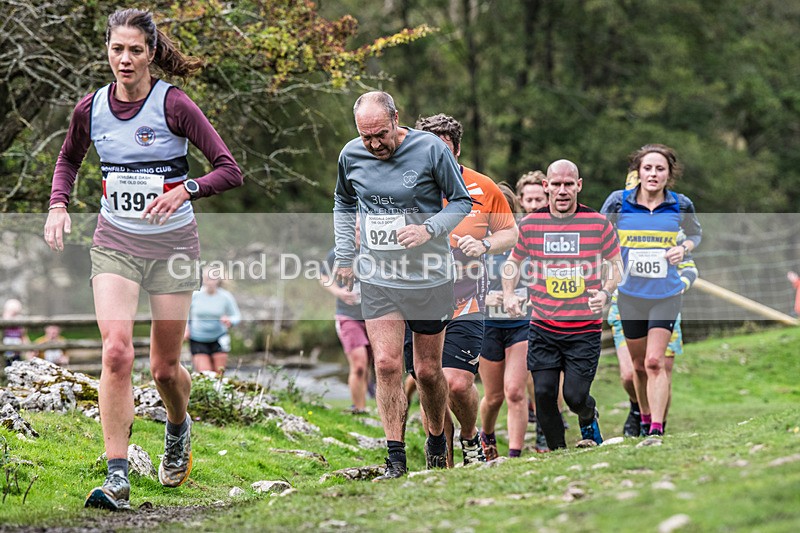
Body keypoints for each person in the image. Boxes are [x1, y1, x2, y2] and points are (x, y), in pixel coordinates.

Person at [43, 8, 242, 511]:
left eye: (135, 50)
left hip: (173, 248)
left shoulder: (173, 104)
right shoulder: (90, 108)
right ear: (107, 51)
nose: (125, 59)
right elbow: (69, 158)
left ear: (150, 52)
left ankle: (178, 427)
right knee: (115, 352)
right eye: (117, 49)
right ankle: (117, 475)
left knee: (165, 369)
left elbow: (229, 170)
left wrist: (186, 190)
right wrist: (58, 205)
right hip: (116, 241)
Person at [333, 91, 472, 480]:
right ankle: (395, 456)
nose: (374, 144)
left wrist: (429, 229)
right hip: (378, 276)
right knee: (387, 363)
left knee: (427, 371)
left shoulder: (430, 149)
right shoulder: (350, 155)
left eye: (380, 134)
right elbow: (343, 202)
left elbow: (461, 202)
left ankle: (435, 439)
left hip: (428, 277)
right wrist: (345, 254)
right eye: (366, 136)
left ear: (396, 119)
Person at [403, 113, 518, 466]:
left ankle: (471, 437)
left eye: (444, 147)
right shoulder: (405, 185)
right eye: (429, 146)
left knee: (454, 384)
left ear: (456, 149)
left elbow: (509, 233)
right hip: (417, 301)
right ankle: (442, 462)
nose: (436, 154)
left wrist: (484, 246)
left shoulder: (483, 186)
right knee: (428, 382)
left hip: (465, 302)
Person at [503, 159, 622, 450]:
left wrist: (605, 292)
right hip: (543, 326)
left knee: (575, 396)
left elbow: (616, 265)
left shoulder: (597, 223)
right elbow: (512, 263)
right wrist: (508, 293)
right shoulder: (531, 225)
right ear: (547, 187)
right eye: (556, 184)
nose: (562, 190)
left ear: (578, 185)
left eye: (569, 184)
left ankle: (588, 417)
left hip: (584, 329)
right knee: (543, 393)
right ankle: (559, 452)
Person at [601, 144, 701, 444]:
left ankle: (656, 429)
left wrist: (683, 248)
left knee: (656, 361)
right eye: (648, 168)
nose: (654, 174)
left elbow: (695, 234)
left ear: (669, 174)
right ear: (638, 171)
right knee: (639, 366)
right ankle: (644, 417)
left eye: (660, 169)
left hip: (666, 294)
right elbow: (600, 234)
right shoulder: (619, 202)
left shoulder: (681, 205)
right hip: (630, 295)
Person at [478, 183, 529, 459]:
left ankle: (515, 455)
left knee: (515, 392)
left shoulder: (524, 238)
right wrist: (486, 298)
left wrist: (527, 297)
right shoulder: (475, 240)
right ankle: (486, 433)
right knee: (494, 396)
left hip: (521, 323)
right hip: (487, 325)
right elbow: (459, 282)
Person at [321, 220, 374, 414]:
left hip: (375, 315)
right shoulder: (338, 253)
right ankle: (358, 408)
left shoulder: (375, 251)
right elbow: (324, 277)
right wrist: (339, 292)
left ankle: (374, 406)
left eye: (362, 229)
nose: (359, 233)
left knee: (376, 364)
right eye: (356, 230)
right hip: (348, 315)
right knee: (359, 365)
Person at [186, 269, 241, 375]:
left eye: (213, 278)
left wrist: (230, 320)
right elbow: (185, 314)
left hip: (219, 337)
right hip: (198, 338)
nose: (210, 281)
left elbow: (237, 316)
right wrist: (185, 328)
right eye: (208, 278)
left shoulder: (226, 297)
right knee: (206, 375)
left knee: (219, 374)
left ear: (218, 280)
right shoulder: (195, 295)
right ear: (203, 279)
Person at [2, 299, 30, 366]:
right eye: (13, 313)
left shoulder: (20, 325)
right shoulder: (3, 323)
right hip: (5, 353)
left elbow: (23, 336)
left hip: (17, 353)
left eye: (16, 313)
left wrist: (29, 349)